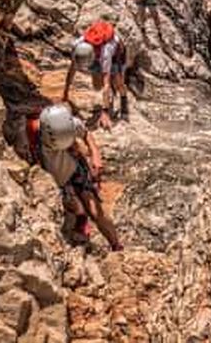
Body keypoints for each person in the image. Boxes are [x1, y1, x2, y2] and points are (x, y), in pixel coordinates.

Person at [28, 103, 123, 251]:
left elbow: (86, 135)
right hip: (56, 178)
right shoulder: (33, 131)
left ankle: (116, 246)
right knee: (78, 208)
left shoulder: (68, 125)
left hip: (74, 168)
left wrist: (95, 155)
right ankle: (80, 221)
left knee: (95, 211)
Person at [64, 20, 128, 128]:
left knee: (118, 84)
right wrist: (65, 94)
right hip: (96, 57)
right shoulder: (78, 45)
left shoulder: (106, 52)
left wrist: (105, 112)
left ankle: (124, 103)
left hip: (116, 56)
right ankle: (109, 98)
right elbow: (71, 70)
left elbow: (106, 84)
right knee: (97, 86)